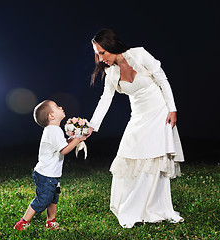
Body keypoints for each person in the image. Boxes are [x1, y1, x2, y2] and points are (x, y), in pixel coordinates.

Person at [86, 29, 185, 228]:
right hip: (138, 116)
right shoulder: (111, 72)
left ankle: (154, 208)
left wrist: (172, 109)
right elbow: (105, 100)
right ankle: (131, 207)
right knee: (129, 154)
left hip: (159, 112)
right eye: (97, 53)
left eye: (102, 52)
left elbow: (162, 79)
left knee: (154, 157)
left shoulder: (139, 54)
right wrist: (91, 127)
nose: (100, 58)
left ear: (112, 46)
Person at [14, 100, 86, 230]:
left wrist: (72, 140)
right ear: (51, 116)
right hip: (46, 175)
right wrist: (76, 140)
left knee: (53, 198)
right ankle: (23, 222)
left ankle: (50, 221)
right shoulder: (54, 130)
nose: (61, 107)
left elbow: (62, 144)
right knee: (43, 199)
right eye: (57, 107)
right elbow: (64, 150)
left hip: (51, 174)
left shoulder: (53, 130)